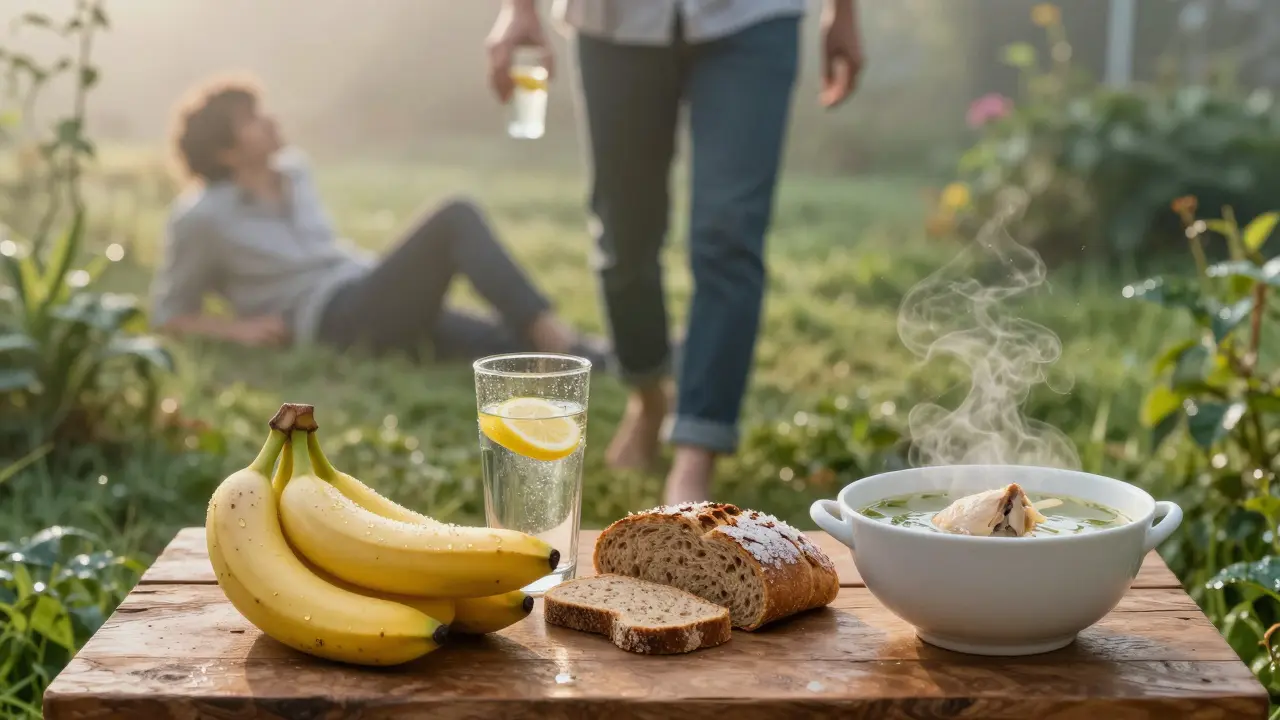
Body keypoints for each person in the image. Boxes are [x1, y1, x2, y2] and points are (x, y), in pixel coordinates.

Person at [485, 1, 864, 504]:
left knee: (729, 231)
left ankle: (696, 449)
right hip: (614, 21)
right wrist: (520, 9)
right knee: (625, 232)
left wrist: (843, 11)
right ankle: (649, 397)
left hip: (753, 18)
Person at [150, 79, 608, 368]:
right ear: (225, 151)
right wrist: (240, 330)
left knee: (506, 348)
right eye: (251, 119)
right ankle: (561, 337)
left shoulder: (294, 170)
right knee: (455, 217)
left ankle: (633, 356)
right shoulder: (201, 217)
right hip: (334, 322)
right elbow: (170, 316)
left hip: (368, 291)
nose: (270, 120)